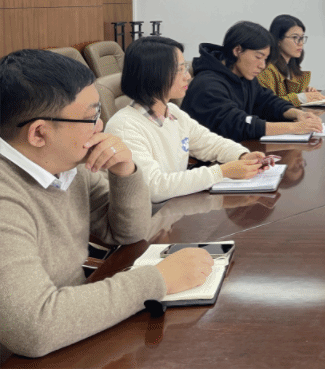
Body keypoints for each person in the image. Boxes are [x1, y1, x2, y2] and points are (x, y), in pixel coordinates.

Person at [0, 49, 213, 358]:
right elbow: (34, 328)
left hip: (72, 325)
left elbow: (128, 232)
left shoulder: (68, 165)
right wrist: (159, 280)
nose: (100, 126)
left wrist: (125, 171)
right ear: (39, 133)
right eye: (91, 117)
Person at [106, 36, 268, 203]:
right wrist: (221, 172)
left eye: (186, 68)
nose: (188, 76)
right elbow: (154, 187)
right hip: (154, 214)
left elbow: (210, 143)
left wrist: (241, 155)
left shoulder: (173, 112)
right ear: (156, 73)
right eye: (181, 69)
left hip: (176, 207)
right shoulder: (124, 127)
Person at [182, 21, 323, 141]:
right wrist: (294, 128)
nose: (262, 65)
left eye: (265, 59)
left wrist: (298, 114)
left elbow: (267, 102)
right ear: (237, 50)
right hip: (205, 160)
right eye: (258, 57)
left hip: (236, 149)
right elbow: (239, 124)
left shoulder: (244, 76)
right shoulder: (207, 84)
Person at [257, 14, 325, 106]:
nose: (300, 43)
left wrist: (304, 92)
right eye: (295, 37)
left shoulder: (291, 68)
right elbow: (267, 104)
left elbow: (287, 96)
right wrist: (301, 98)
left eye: (302, 38)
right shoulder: (266, 69)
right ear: (278, 40)